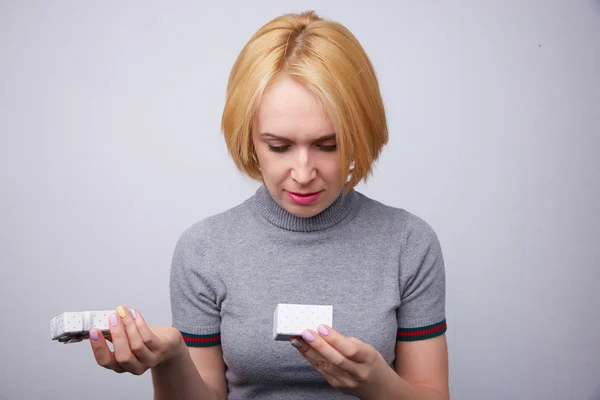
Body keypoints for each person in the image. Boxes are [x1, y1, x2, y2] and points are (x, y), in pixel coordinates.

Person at [89, 10, 449, 400]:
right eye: (279, 147)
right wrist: (172, 359)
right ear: (249, 140)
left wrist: (377, 384)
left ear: (361, 133)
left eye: (328, 145)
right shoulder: (204, 250)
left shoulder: (409, 243)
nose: (303, 171)